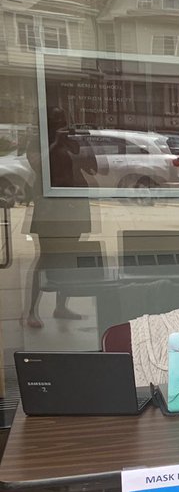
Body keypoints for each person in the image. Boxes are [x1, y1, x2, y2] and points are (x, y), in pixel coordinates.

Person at [23, 107, 97, 328]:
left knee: (69, 258)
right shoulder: (38, 141)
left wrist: (83, 147)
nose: (60, 123)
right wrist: (55, 143)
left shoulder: (73, 140)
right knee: (45, 257)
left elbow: (93, 168)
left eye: (63, 119)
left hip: (74, 205)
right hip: (50, 209)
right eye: (56, 120)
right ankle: (31, 311)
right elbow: (37, 165)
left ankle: (61, 305)